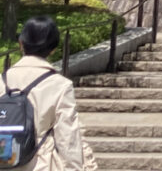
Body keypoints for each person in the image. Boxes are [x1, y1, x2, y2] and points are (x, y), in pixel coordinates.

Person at [3, 16, 97, 170]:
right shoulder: (60, 85)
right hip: (40, 164)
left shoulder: (2, 81)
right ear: (53, 49)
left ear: (21, 43)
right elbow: (68, 138)